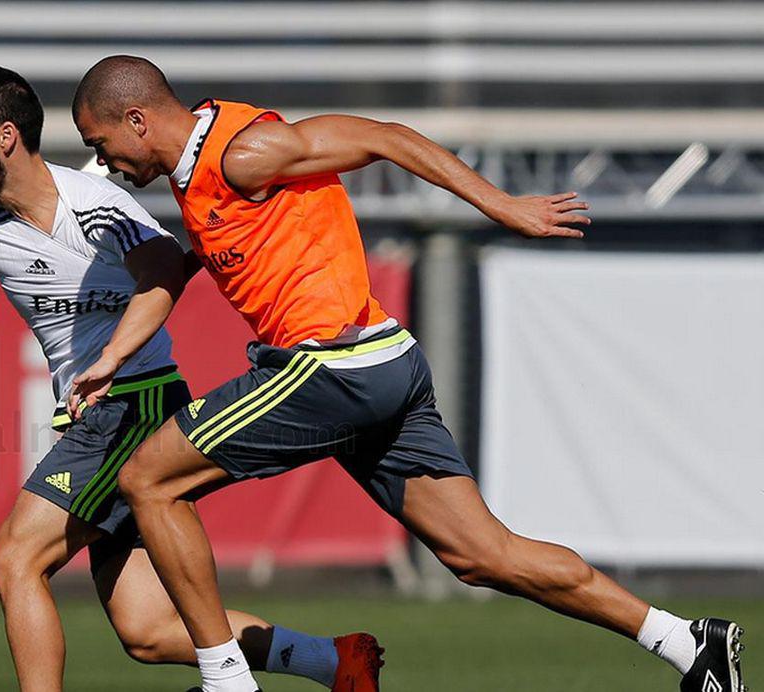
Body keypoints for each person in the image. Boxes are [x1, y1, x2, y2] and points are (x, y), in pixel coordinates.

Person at [68, 55, 745, 692]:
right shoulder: (198, 171)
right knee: (485, 554)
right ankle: (687, 642)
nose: (102, 161)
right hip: (379, 364)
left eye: (99, 142)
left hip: (336, 366)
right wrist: (129, 335)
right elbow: (220, 245)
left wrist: (500, 204)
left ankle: (225, 679)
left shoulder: (243, 152)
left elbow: (386, 136)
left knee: (149, 478)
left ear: (138, 121)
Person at [0, 66, 381, 692]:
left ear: (4, 137)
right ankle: (336, 663)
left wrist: (113, 356)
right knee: (146, 631)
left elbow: (168, 265)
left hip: (134, 401)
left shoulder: (91, 205)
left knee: (14, 560)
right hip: (94, 411)